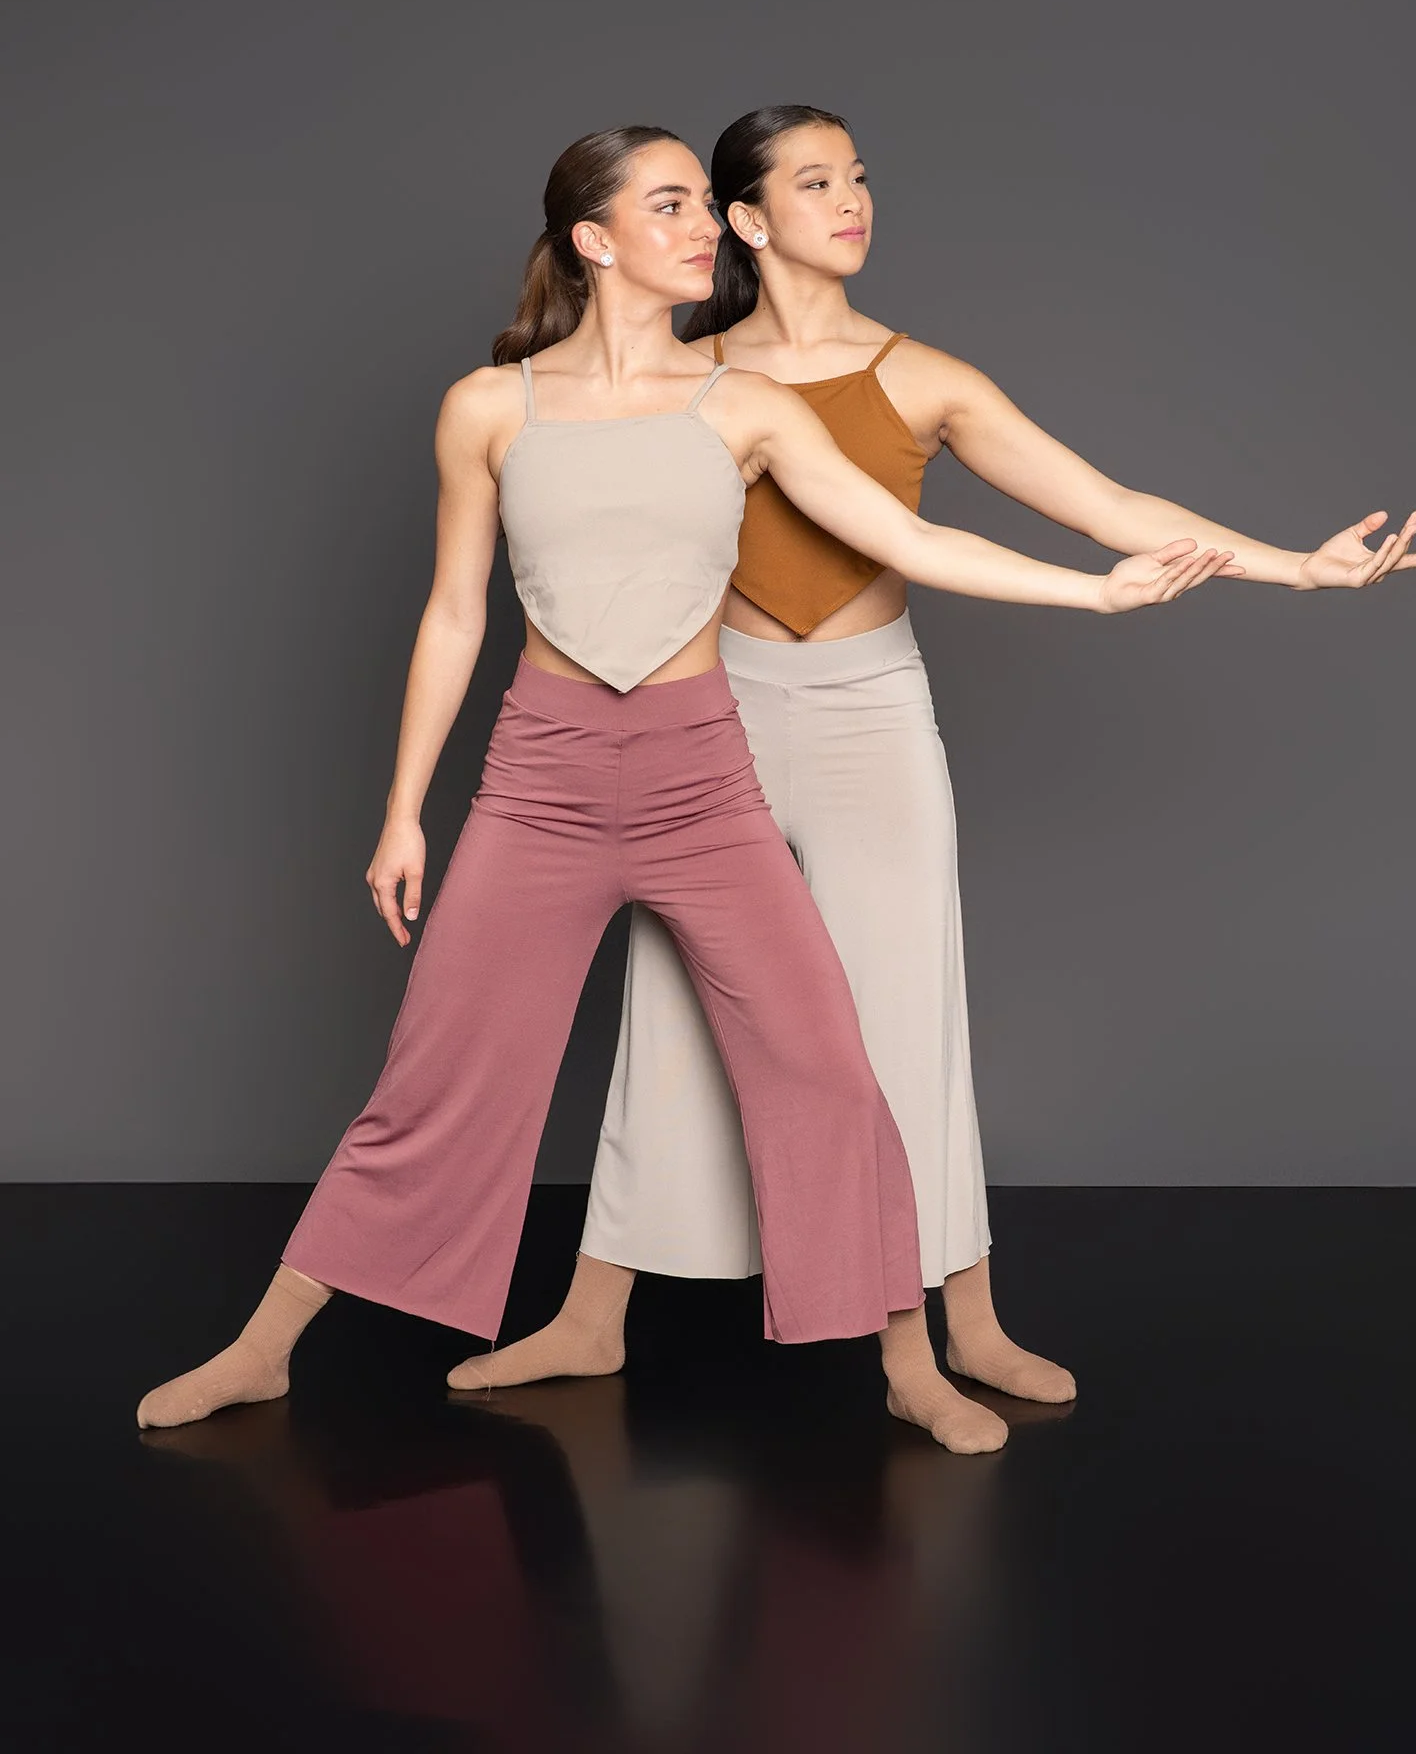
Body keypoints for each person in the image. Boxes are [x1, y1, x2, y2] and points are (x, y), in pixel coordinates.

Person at [137, 125, 1234, 1453]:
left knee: (826, 1072)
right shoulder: (489, 407)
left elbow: (907, 536)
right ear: (593, 240)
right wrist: (402, 812)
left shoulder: (745, 406)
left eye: (705, 207)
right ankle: (261, 1353)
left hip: (701, 783)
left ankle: (908, 1364)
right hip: (537, 783)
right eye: (669, 206)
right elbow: (452, 615)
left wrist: (1097, 592)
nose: (703, 227)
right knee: (435, 1080)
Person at [483, 105, 1416, 1408]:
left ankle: (964, 1323)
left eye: (859, 178)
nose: (852, 201)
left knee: (905, 1012)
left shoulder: (925, 378)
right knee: (672, 1009)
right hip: (708, 712)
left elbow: (1109, 506)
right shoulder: (683, 373)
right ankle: (595, 1314)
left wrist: (1297, 570)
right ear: (746, 219)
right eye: (814, 183)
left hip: (867, 712)